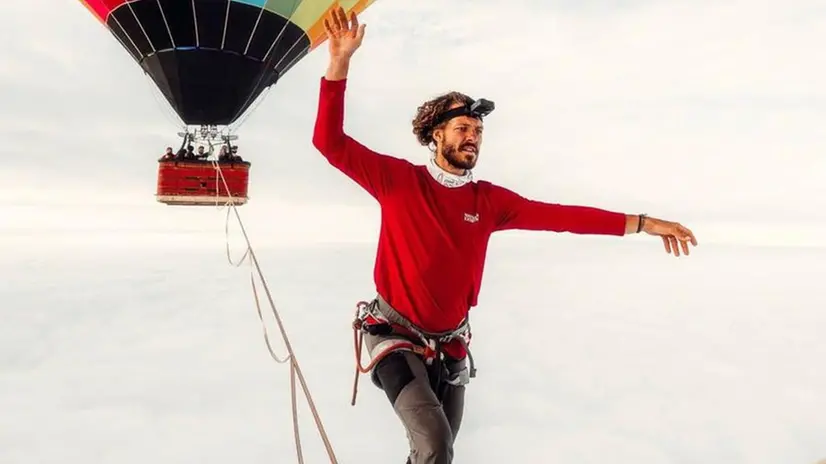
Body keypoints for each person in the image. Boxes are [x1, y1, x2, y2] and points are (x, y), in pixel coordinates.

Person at [312, 7, 698, 464]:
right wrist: (339, 65)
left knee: (439, 452)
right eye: (462, 128)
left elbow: (561, 216)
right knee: (435, 443)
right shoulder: (398, 180)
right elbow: (329, 143)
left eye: (477, 130)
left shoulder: (489, 201)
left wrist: (643, 222)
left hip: (451, 346)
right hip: (393, 336)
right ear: (436, 136)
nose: (472, 136)